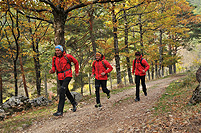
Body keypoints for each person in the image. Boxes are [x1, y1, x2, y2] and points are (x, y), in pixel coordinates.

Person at [49, 45, 79, 116]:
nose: (57, 52)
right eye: (56, 50)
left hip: (68, 75)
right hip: (60, 77)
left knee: (62, 91)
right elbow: (54, 67)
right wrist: (52, 71)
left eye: (58, 50)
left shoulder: (67, 56)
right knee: (66, 91)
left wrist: (76, 71)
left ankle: (60, 111)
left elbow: (76, 62)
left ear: (62, 50)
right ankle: (74, 103)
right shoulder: (54, 58)